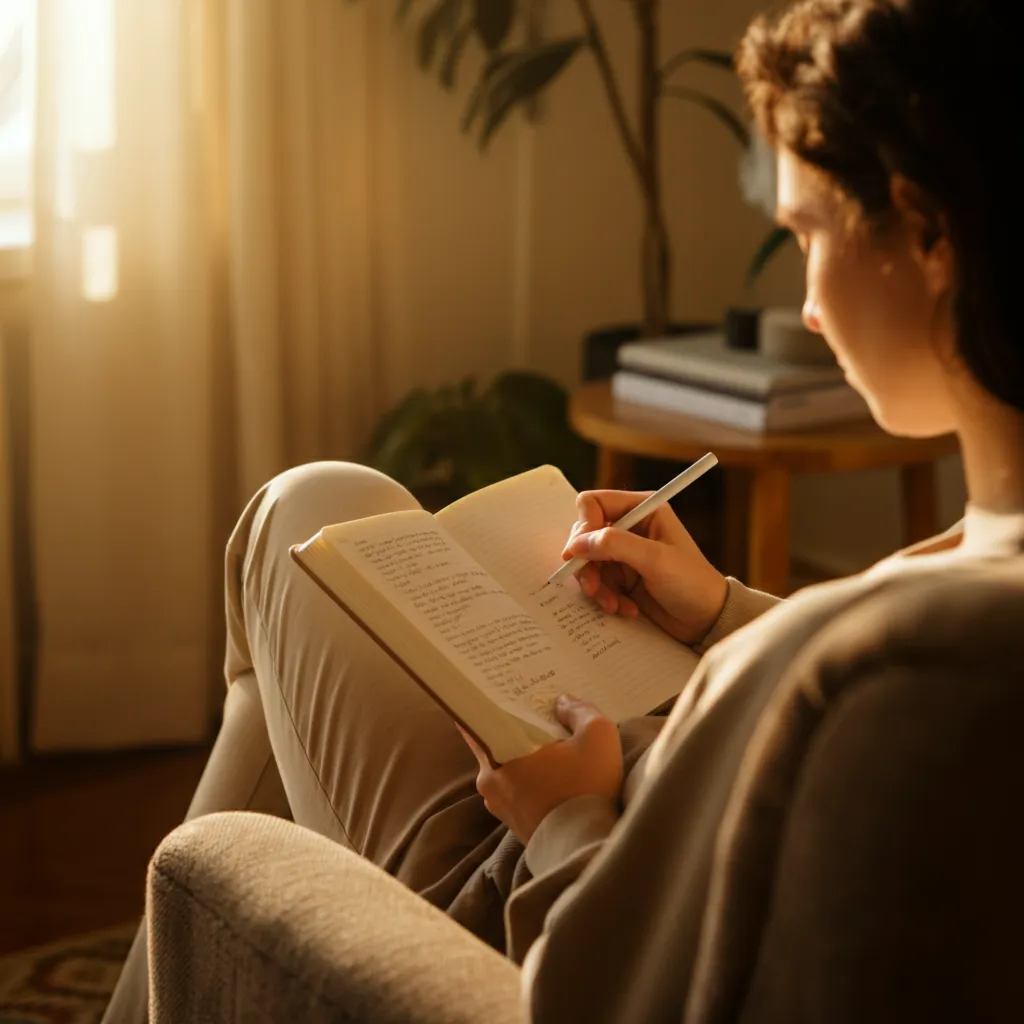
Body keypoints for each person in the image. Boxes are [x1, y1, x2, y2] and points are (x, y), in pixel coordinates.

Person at [103, 0, 1024, 1020]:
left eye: (806, 232)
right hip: (611, 814)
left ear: (928, 233)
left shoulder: (891, 662)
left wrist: (562, 815)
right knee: (328, 504)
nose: (804, 303)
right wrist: (716, 607)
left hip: (518, 911)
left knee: (295, 529)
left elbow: (597, 994)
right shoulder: (971, 596)